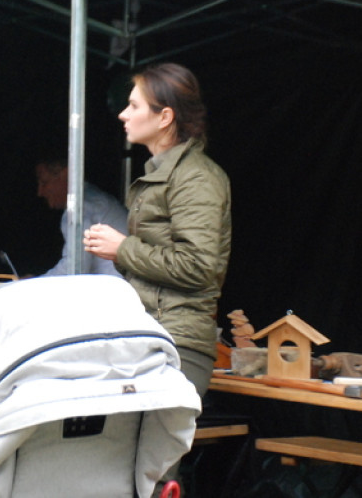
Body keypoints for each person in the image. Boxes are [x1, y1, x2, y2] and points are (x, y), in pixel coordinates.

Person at [83, 62, 230, 493]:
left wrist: (122, 248)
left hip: (177, 344)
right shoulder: (163, 174)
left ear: (165, 116)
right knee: (132, 470)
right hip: (152, 338)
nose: (122, 115)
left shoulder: (196, 179)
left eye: (133, 105)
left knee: (156, 473)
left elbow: (199, 266)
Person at [34, 157, 128, 277]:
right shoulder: (93, 198)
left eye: (44, 182)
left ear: (66, 174)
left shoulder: (81, 207)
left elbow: (75, 267)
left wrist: (32, 283)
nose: (40, 192)